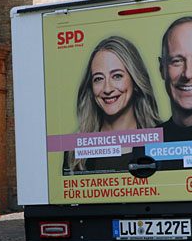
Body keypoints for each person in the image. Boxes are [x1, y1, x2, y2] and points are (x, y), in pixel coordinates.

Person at [64, 36, 161, 174]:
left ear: (135, 81)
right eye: (98, 79)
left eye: (117, 76)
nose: (107, 89)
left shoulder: (164, 139)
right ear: (91, 88)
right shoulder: (74, 150)